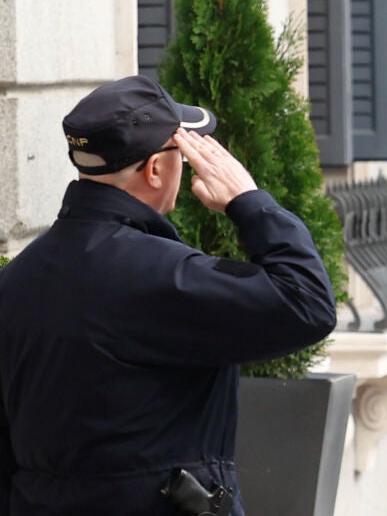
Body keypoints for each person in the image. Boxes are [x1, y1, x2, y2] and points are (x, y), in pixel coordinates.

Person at [0, 75, 338, 515]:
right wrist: (249, 201)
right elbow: (307, 303)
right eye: (182, 152)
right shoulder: (163, 276)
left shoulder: (17, 279)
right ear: (156, 168)